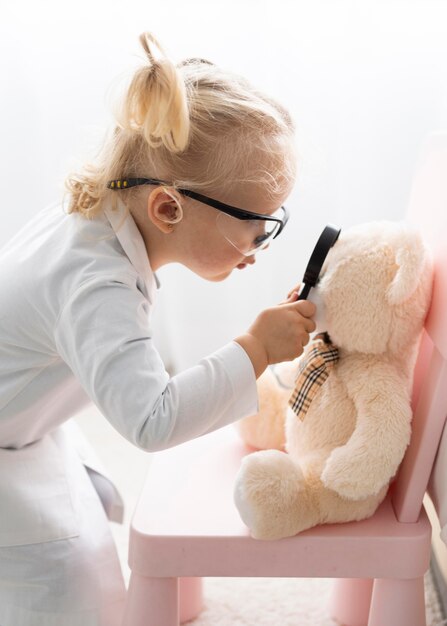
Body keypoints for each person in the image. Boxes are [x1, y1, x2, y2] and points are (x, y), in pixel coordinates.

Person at [0, 32, 316, 625]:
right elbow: (152, 419)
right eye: (256, 225)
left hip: (21, 425)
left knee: (81, 512)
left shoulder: (99, 221)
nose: (261, 245)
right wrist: (253, 350)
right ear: (168, 208)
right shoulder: (96, 284)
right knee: (67, 583)